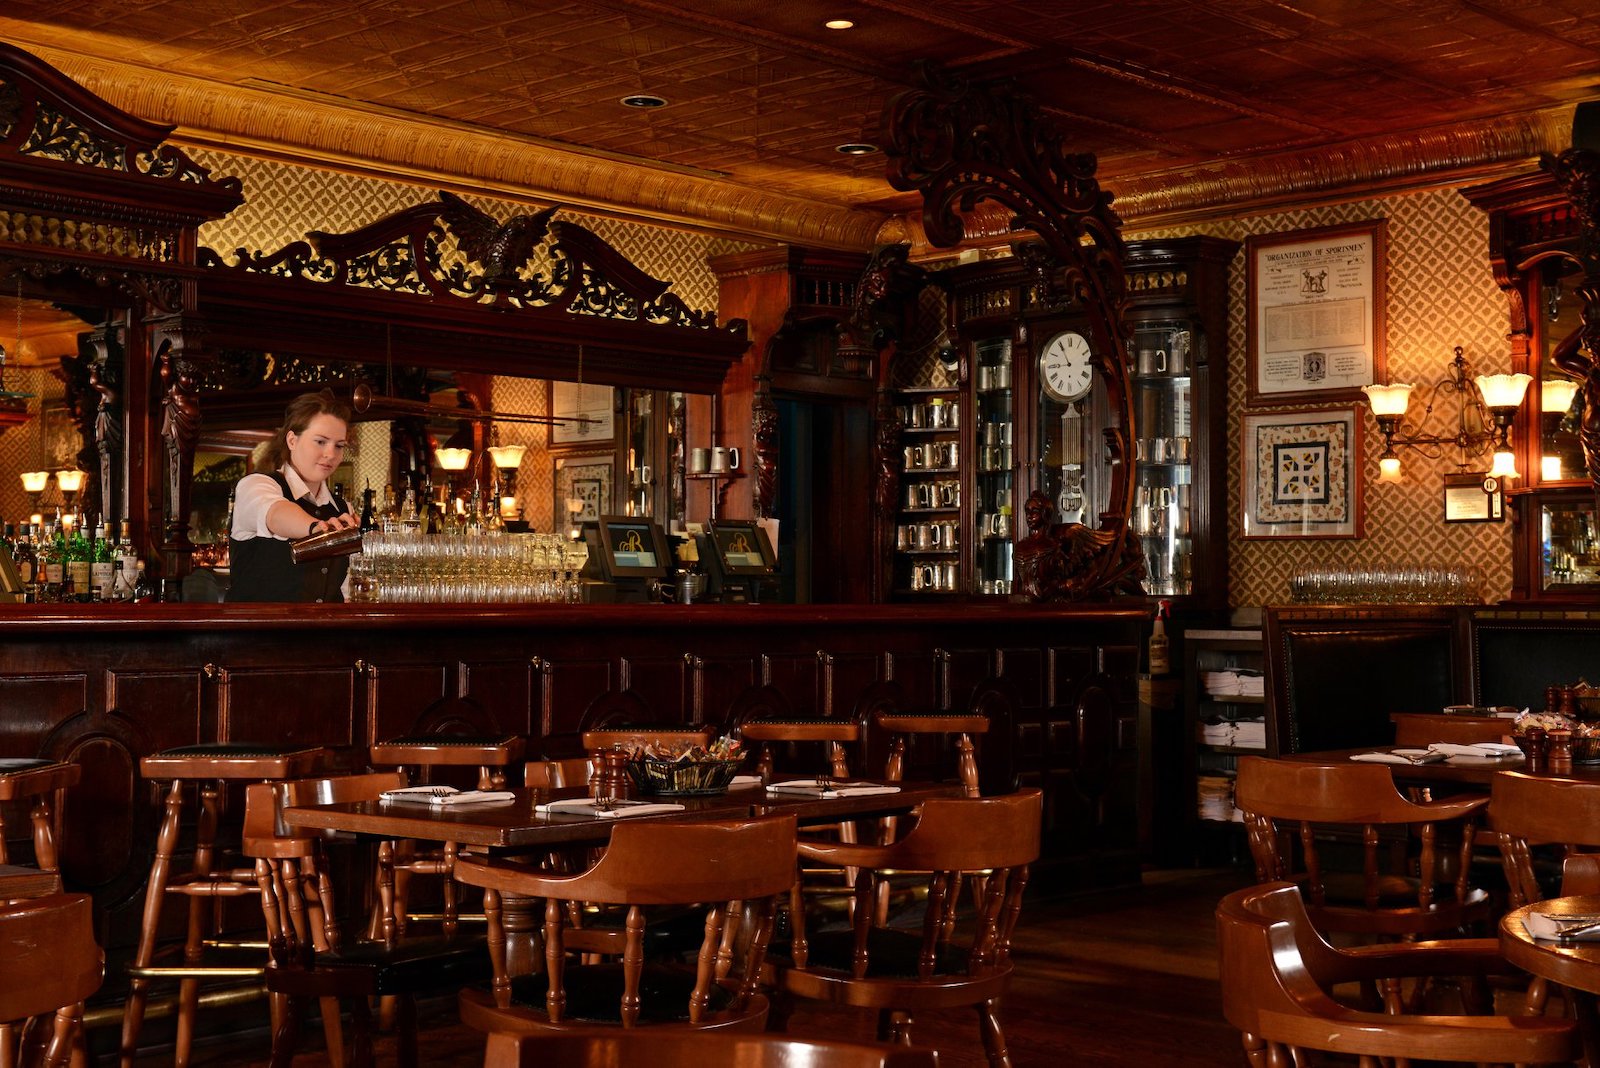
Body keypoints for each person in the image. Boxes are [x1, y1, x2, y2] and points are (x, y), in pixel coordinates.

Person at [228, 390, 360, 602]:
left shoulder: (343, 509)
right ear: (292, 440)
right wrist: (318, 528)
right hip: (254, 633)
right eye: (320, 442)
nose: (330, 454)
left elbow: (346, 590)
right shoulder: (256, 485)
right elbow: (276, 514)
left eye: (339, 445)